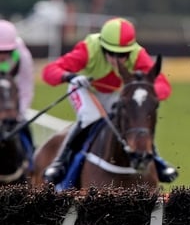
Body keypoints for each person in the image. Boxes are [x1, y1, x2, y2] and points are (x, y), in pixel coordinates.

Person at [40, 17, 178, 184]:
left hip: (116, 95)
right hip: (86, 90)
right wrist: (70, 76)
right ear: (102, 47)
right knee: (90, 116)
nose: (116, 59)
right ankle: (60, 162)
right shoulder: (88, 49)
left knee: (136, 116)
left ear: (130, 50)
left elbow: (163, 85)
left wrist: (143, 94)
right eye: (110, 52)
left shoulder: (138, 55)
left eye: (122, 55)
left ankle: (157, 160)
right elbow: (49, 71)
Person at [0, 20, 35, 146]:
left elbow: (26, 86)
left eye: (6, 51)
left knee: (24, 127)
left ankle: (30, 159)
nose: (3, 56)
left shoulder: (22, 55)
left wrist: (21, 113)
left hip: (10, 100)